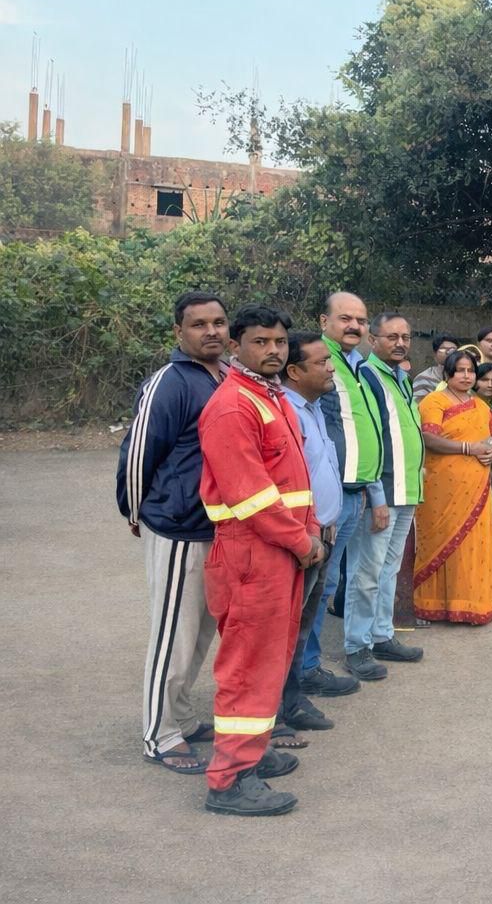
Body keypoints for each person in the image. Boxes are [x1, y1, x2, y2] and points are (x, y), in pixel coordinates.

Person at [198, 305, 322, 816]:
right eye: (260, 342)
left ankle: (252, 753)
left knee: (270, 660)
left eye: (279, 342)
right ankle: (229, 781)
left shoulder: (269, 396)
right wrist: (302, 542)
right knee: (248, 667)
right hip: (253, 553)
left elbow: (293, 483)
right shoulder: (233, 407)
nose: (273, 350)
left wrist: (309, 531)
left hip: (279, 550)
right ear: (236, 347)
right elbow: (251, 497)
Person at [117, 291, 228, 774]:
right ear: (178, 332)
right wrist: (135, 511)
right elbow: (139, 451)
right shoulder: (170, 381)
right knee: (173, 635)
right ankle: (159, 734)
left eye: (218, 322)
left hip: (216, 527)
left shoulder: (226, 376)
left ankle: (181, 717)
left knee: (199, 633)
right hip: (178, 526)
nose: (212, 331)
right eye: (199, 324)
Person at [303, 292, 384, 696]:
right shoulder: (319, 362)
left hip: (356, 492)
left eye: (361, 320)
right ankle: (304, 668)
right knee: (315, 586)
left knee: (327, 583)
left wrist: (374, 491)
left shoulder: (358, 365)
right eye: (345, 318)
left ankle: (306, 666)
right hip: (328, 496)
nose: (355, 326)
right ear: (324, 321)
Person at [278, 331, 347, 736]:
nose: (331, 369)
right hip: (301, 539)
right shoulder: (286, 410)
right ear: (294, 371)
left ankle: (291, 699)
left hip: (323, 532)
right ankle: (274, 710)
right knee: (285, 628)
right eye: (322, 363)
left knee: (302, 624)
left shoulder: (315, 407)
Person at [351, 312, 428, 677]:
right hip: (383, 491)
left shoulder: (402, 378)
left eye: (405, 337)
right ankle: (357, 645)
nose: (400, 343)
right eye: (392, 337)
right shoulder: (367, 376)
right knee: (366, 572)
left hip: (407, 489)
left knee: (389, 569)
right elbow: (369, 437)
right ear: (373, 340)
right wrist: (376, 493)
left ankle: (382, 634)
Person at [414, 350, 492, 625]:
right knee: (441, 543)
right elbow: (428, 438)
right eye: (460, 370)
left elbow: (491, 441)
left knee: (474, 547)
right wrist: (467, 448)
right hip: (443, 489)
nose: (466, 376)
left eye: (470, 371)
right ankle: (434, 603)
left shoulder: (481, 407)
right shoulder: (434, 401)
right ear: (447, 373)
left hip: (477, 488)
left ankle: (472, 604)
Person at [412, 334, 460, 402]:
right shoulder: (424, 379)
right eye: (443, 349)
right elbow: (416, 405)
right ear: (435, 354)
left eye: (453, 350)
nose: (448, 353)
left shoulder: (465, 377)